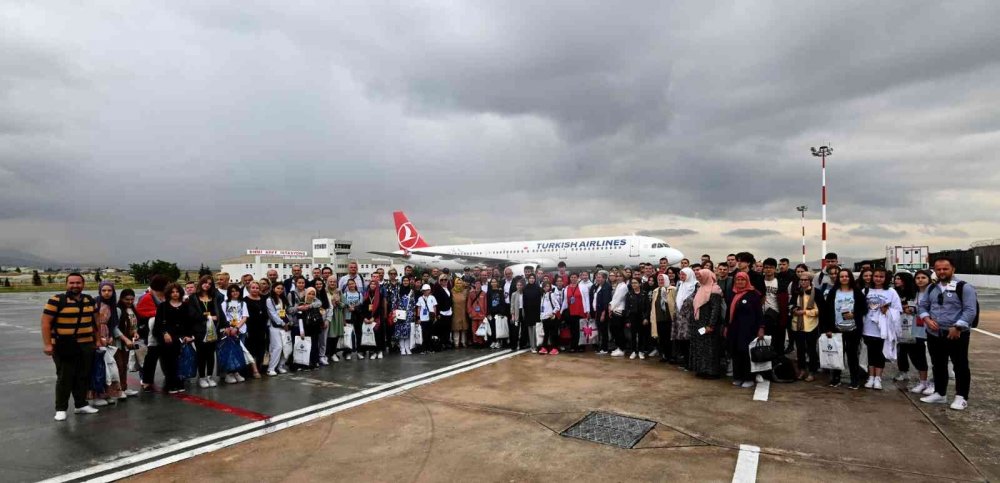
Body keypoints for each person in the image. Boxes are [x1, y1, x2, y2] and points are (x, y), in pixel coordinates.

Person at [919, 258, 977, 410]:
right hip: (934, 333)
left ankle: (961, 397)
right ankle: (940, 393)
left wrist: (958, 327)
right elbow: (923, 306)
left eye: (945, 269)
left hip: (956, 334)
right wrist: (927, 319)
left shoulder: (964, 287)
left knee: (960, 365)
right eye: (938, 269)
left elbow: (970, 310)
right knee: (938, 364)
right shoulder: (932, 288)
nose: (942, 272)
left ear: (953, 269)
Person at [42, 273, 101, 421]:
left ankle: (81, 405)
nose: (75, 285)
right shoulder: (56, 300)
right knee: (65, 377)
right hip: (64, 344)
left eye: (78, 283)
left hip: (86, 344)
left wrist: (98, 340)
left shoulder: (89, 300)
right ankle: (61, 408)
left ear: (83, 284)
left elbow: (96, 322)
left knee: (83, 376)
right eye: (72, 283)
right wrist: (48, 344)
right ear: (66, 284)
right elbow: (45, 323)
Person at [821, 269, 868, 389]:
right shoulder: (834, 292)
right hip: (837, 329)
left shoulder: (856, 292)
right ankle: (836, 378)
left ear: (850, 278)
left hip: (853, 329)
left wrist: (854, 314)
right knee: (837, 354)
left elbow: (864, 308)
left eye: (847, 276)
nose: (844, 278)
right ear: (838, 278)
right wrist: (827, 328)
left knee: (852, 354)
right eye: (842, 276)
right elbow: (826, 311)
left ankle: (854, 379)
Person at [862, 269, 902, 390]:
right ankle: (871, 377)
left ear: (886, 278)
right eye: (876, 276)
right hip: (868, 328)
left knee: (880, 353)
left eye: (881, 276)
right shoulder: (866, 290)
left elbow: (898, 310)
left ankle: (878, 378)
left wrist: (887, 310)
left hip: (883, 329)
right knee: (870, 353)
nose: (878, 279)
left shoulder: (891, 292)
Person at [154, 283, 194, 394]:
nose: (175, 294)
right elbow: (158, 324)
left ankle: (180, 382)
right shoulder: (163, 306)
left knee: (180, 361)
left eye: (177, 291)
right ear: (168, 293)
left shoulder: (185, 306)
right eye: (172, 292)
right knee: (169, 362)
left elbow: (189, 322)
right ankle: (170, 384)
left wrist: (189, 336)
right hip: (168, 338)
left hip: (182, 337)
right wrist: (164, 333)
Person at [727, 272, 765, 388]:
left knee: (746, 353)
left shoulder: (753, 294)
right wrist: (726, 326)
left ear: (747, 281)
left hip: (748, 329)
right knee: (736, 352)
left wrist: (761, 328)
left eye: (742, 280)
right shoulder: (732, 293)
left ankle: (749, 378)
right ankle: (738, 377)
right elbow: (728, 312)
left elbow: (759, 313)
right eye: (737, 280)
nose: (740, 282)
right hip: (735, 329)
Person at [893, 271, 929, 389]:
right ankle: (903, 371)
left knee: (916, 350)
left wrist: (907, 308)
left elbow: (916, 307)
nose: (896, 281)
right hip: (900, 324)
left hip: (915, 325)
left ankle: (923, 377)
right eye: (896, 278)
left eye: (899, 278)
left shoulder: (915, 292)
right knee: (901, 349)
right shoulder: (895, 292)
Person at [689, 269, 725, 378]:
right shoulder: (701, 288)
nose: (699, 278)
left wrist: (711, 325)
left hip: (708, 325)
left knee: (710, 348)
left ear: (707, 276)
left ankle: (712, 372)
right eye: (698, 276)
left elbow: (715, 309)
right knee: (701, 347)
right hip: (699, 323)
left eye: (701, 276)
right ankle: (702, 370)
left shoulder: (714, 290)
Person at [91, 281, 122, 405]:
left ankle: (107, 393)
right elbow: (92, 322)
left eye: (109, 290)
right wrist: (98, 338)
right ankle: (97, 395)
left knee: (109, 367)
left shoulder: (112, 305)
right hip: (96, 336)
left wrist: (110, 337)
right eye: (104, 290)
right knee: (98, 366)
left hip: (107, 336)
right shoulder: (95, 303)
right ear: (99, 291)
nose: (107, 293)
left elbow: (112, 323)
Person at [136, 274, 167, 391]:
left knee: (166, 356)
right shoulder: (147, 297)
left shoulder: (166, 296)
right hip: (150, 333)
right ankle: (147, 381)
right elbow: (141, 312)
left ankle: (169, 376)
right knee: (150, 357)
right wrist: (159, 314)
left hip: (165, 331)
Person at [188, 276, 220, 388]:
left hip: (212, 329)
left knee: (211, 354)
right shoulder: (193, 297)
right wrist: (208, 317)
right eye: (205, 282)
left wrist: (217, 319)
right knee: (201, 354)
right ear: (201, 283)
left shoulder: (213, 297)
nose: (207, 285)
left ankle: (209, 376)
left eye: (210, 284)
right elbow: (192, 314)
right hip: (199, 330)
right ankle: (201, 377)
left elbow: (218, 312)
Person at [789, 272, 821, 382]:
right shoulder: (796, 291)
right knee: (800, 349)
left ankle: (812, 371)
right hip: (797, 325)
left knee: (811, 350)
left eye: (805, 280)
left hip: (811, 325)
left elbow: (820, 310)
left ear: (810, 281)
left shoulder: (816, 292)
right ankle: (802, 369)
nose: (803, 282)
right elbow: (791, 304)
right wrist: (793, 309)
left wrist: (805, 312)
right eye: (801, 280)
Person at [908, 270, 935, 395]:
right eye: (917, 278)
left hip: (930, 329)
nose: (920, 280)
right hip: (917, 329)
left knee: (932, 358)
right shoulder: (915, 293)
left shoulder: (933, 293)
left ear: (929, 279)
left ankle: (933, 382)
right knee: (920, 357)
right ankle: (923, 381)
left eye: (923, 277)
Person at [220, 284, 250, 383]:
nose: (235, 293)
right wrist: (229, 328)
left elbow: (244, 317)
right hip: (229, 331)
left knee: (239, 352)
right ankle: (229, 373)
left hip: (241, 330)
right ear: (229, 293)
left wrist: (237, 328)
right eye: (232, 291)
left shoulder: (243, 303)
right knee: (230, 352)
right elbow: (223, 317)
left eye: (236, 291)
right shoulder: (225, 303)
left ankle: (236, 372)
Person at [114, 288, 140, 397]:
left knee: (124, 365)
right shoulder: (118, 310)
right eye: (127, 299)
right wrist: (125, 339)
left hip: (128, 342)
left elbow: (133, 324)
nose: (130, 302)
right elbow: (114, 327)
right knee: (119, 366)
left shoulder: (132, 309)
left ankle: (124, 388)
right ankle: (118, 390)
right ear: (121, 299)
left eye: (132, 299)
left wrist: (135, 332)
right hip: (118, 342)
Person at [291, 286, 324, 368]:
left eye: (313, 294)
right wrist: (301, 330)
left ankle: (314, 361)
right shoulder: (301, 303)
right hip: (305, 327)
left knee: (315, 344)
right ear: (306, 294)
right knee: (306, 345)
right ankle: (305, 362)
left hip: (315, 327)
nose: (311, 296)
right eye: (309, 293)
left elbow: (320, 311)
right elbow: (299, 318)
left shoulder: (316, 303)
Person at [670, 267, 697, 365]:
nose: (681, 276)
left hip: (689, 318)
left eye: (683, 274)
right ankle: (684, 360)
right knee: (681, 340)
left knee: (689, 340)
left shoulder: (695, 286)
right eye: (680, 274)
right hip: (679, 317)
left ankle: (690, 362)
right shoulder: (681, 285)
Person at [243, 281, 268, 377]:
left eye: (257, 288)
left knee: (261, 349)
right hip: (250, 328)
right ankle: (253, 370)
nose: (255, 290)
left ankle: (259, 367)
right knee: (251, 349)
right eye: (253, 288)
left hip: (262, 328)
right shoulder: (245, 300)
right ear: (249, 289)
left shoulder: (263, 299)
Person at [649, 273, 676, 363]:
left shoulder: (672, 289)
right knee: (662, 338)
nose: (661, 281)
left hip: (669, 318)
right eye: (659, 280)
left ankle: (672, 356)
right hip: (659, 318)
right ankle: (665, 355)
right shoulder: (656, 291)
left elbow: (675, 303)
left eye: (662, 280)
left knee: (670, 338)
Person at [265, 283, 291, 375]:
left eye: (281, 288)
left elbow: (284, 312)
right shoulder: (269, 300)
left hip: (285, 325)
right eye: (278, 288)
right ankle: (271, 368)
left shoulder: (282, 299)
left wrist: (288, 322)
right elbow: (273, 314)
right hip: (275, 326)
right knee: (277, 347)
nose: (279, 290)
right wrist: (282, 323)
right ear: (273, 289)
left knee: (286, 346)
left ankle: (280, 366)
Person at [624, 278, 650, 360]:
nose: (634, 284)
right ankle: (634, 351)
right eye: (632, 283)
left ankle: (641, 351)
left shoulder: (644, 294)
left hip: (642, 317)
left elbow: (647, 307)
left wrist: (646, 318)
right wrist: (627, 320)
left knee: (642, 335)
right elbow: (627, 308)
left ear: (639, 284)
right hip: (632, 317)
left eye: (635, 283)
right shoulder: (629, 294)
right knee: (633, 335)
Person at [360, 280, 384, 359]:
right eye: (371, 284)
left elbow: (380, 308)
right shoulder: (366, 294)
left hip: (376, 318)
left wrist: (374, 317)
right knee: (369, 335)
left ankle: (379, 351)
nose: (372, 285)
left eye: (374, 284)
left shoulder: (380, 295)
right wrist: (365, 318)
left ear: (377, 286)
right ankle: (373, 352)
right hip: (367, 318)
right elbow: (363, 308)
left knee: (377, 335)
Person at [563, 273, 586, 353]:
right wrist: (562, 311)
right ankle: (573, 346)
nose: (573, 278)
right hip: (571, 312)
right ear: (570, 278)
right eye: (572, 277)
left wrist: (587, 311)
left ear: (578, 278)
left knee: (581, 330)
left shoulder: (582, 287)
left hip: (580, 311)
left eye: (575, 277)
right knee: (573, 330)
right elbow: (565, 301)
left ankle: (581, 346)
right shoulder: (566, 288)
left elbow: (586, 299)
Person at [591, 271, 612, 354]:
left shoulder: (606, 287)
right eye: (597, 277)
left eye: (600, 277)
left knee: (604, 330)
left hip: (603, 311)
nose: (598, 279)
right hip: (597, 311)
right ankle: (601, 347)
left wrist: (603, 314)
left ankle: (605, 348)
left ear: (604, 278)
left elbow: (606, 301)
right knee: (600, 330)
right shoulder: (598, 286)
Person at [608, 271, 629, 357]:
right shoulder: (619, 285)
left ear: (624, 277)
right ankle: (619, 347)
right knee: (615, 330)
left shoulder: (623, 286)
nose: (618, 278)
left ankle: (622, 348)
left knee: (619, 331)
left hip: (619, 310)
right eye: (617, 276)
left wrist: (610, 307)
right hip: (615, 309)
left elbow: (618, 299)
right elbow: (614, 298)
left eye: (620, 276)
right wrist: (611, 306)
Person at [325, 276, 346, 362]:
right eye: (330, 281)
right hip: (327, 316)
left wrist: (338, 302)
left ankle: (333, 353)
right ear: (327, 282)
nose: (332, 283)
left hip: (337, 316)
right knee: (327, 336)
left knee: (335, 336)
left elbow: (344, 305)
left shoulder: (339, 292)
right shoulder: (325, 291)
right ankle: (327, 354)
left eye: (334, 281)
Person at [394, 276, 416, 355]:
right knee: (400, 331)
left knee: (408, 331)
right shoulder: (398, 290)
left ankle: (407, 347)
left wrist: (413, 312)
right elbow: (394, 302)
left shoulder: (411, 291)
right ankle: (402, 348)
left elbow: (413, 303)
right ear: (402, 282)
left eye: (407, 280)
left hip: (409, 314)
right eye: (404, 280)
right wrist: (394, 312)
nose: (406, 282)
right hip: (400, 313)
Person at [538, 280, 561, 355]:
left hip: (552, 318)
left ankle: (555, 348)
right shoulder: (542, 296)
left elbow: (557, 306)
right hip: (544, 318)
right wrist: (541, 316)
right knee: (546, 334)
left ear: (550, 287)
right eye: (545, 286)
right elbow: (542, 308)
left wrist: (553, 313)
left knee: (553, 334)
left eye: (548, 286)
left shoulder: (552, 295)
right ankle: (544, 348)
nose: (546, 288)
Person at [342, 279, 363, 359]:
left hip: (357, 317)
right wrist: (343, 318)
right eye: (349, 284)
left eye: (352, 283)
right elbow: (343, 306)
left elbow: (361, 306)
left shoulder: (359, 294)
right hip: (348, 317)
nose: (351, 285)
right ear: (347, 286)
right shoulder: (345, 294)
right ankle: (348, 352)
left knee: (358, 334)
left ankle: (359, 351)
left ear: (355, 284)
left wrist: (354, 308)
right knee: (349, 335)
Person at [432, 275, 454, 350]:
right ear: (439, 281)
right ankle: (441, 344)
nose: (444, 281)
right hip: (442, 312)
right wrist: (437, 313)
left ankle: (446, 343)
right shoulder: (437, 290)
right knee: (441, 329)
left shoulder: (448, 289)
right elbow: (436, 303)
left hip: (449, 312)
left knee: (448, 328)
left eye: (445, 279)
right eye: (442, 280)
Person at [521, 274, 542, 353]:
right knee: (530, 329)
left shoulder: (538, 288)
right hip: (528, 311)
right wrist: (524, 311)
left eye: (533, 278)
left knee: (536, 328)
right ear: (528, 279)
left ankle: (537, 345)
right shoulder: (525, 288)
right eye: (530, 278)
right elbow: (524, 301)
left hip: (537, 311)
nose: (532, 279)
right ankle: (532, 346)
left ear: (535, 279)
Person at [416, 283, 438, 353]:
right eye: (424, 290)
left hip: (430, 318)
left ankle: (430, 348)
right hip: (423, 319)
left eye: (427, 290)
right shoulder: (420, 298)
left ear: (429, 290)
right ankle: (424, 349)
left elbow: (434, 307)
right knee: (424, 334)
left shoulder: (432, 297)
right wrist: (418, 318)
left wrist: (435, 316)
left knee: (430, 333)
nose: (425, 291)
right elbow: (419, 308)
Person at [486, 278, 508, 349]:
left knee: (498, 328)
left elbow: (502, 302)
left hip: (498, 313)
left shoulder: (500, 291)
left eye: (495, 282)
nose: (493, 283)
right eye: (492, 282)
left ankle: (498, 342)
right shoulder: (489, 292)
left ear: (497, 283)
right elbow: (488, 303)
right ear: (491, 283)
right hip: (491, 312)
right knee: (492, 327)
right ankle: (493, 341)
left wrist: (502, 312)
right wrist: (488, 313)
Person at [467, 280, 487, 347]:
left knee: (481, 329)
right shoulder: (471, 293)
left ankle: (480, 342)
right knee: (474, 329)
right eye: (476, 283)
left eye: (479, 283)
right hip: (474, 314)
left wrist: (485, 314)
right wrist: (469, 312)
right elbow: (469, 304)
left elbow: (485, 304)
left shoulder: (484, 293)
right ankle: (475, 342)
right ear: (474, 285)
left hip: (481, 314)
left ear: (481, 285)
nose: (478, 285)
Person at [451, 278, 469, 349]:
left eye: (460, 283)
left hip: (463, 311)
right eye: (457, 283)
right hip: (455, 311)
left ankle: (463, 342)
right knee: (456, 328)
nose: (459, 284)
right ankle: (456, 343)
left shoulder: (465, 291)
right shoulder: (452, 291)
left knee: (464, 328)